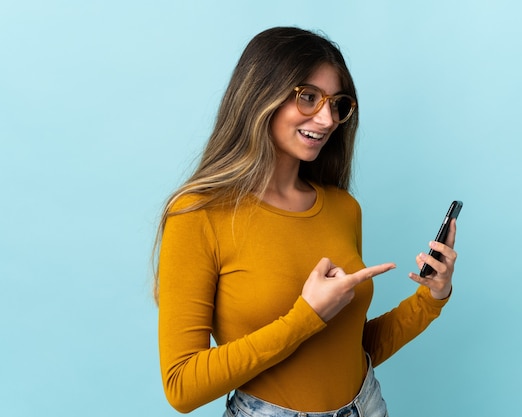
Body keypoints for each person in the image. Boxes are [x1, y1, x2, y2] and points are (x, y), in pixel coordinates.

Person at [154, 26, 458, 417]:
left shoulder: (342, 207)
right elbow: (182, 387)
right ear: (259, 96)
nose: (327, 118)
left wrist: (431, 297)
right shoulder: (198, 215)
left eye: (337, 104)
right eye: (309, 97)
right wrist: (305, 317)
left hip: (366, 406)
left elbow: (349, 349)